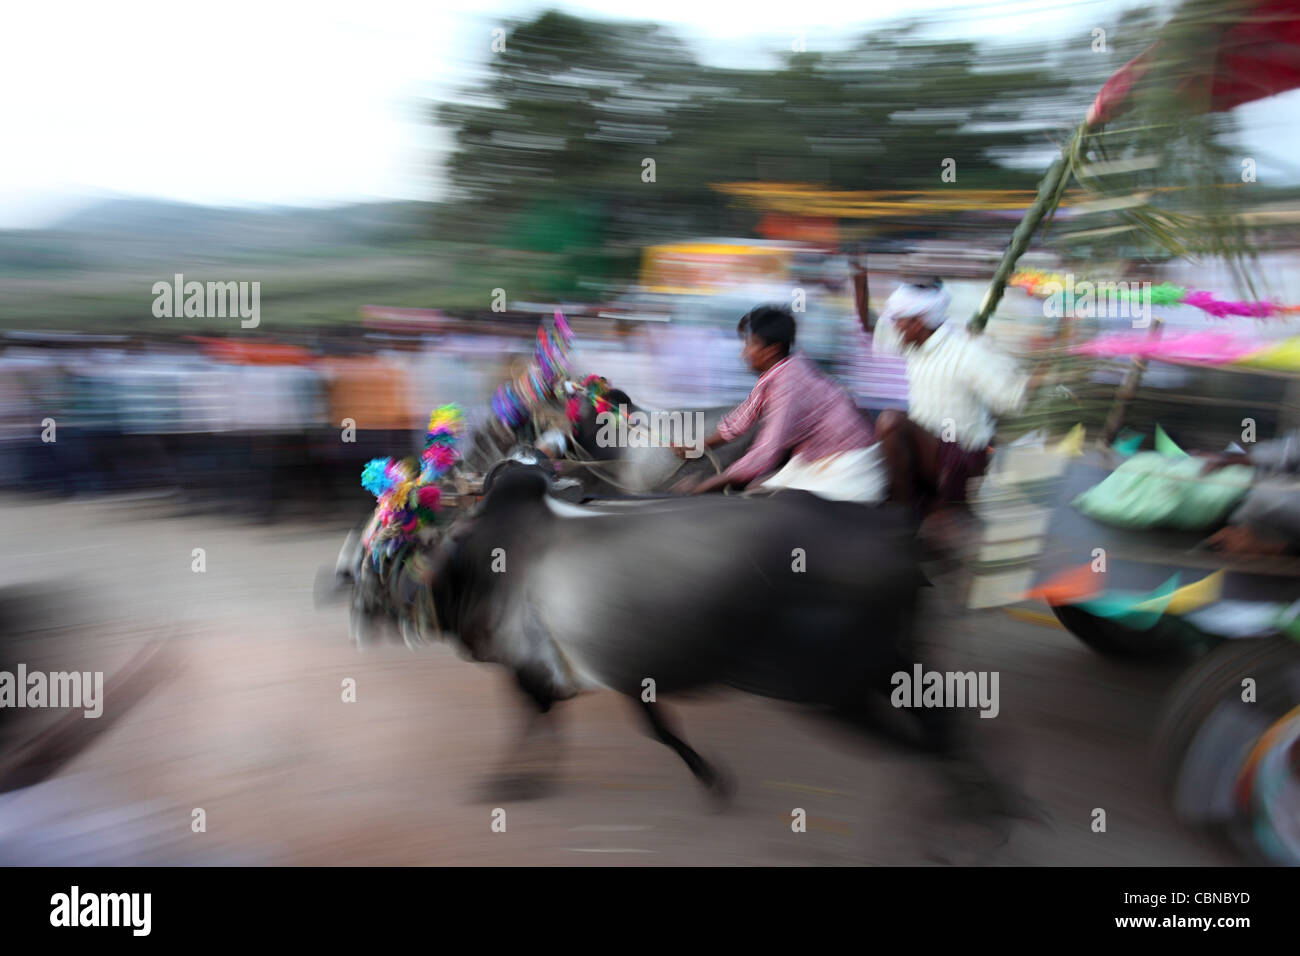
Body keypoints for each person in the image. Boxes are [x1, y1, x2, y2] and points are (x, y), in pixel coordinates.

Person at [671, 304, 886, 503]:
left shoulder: (788, 384)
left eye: (749, 344)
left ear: (771, 350)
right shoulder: (781, 371)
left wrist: (702, 488)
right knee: (755, 490)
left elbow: (766, 453)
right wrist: (701, 446)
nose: (743, 352)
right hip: (820, 460)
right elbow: (741, 420)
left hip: (849, 467)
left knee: (758, 499)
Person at [872, 279, 1044, 515]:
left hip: (961, 458)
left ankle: (902, 512)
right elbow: (868, 323)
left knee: (890, 421)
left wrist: (1044, 372)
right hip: (931, 449)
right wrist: (858, 270)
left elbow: (1012, 399)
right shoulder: (912, 346)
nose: (895, 327)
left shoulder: (967, 352)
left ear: (917, 323)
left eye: (898, 321)